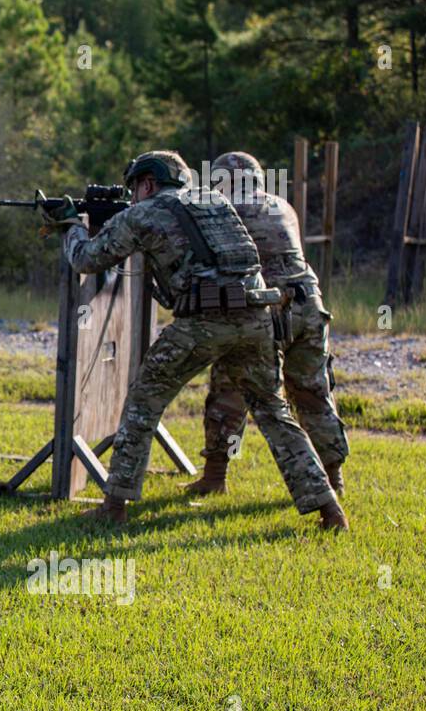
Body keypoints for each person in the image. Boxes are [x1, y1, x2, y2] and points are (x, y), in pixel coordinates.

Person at [41, 150, 348, 531]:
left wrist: (70, 225)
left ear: (148, 183)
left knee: (143, 399)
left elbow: (86, 259)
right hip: (255, 316)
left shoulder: (142, 213)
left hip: (205, 321)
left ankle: (115, 504)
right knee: (273, 411)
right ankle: (329, 508)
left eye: (135, 188)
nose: (134, 196)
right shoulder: (215, 202)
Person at [185, 151, 349, 496]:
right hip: (310, 306)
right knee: (313, 393)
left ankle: (216, 476)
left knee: (229, 391)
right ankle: (333, 478)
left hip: (266, 311)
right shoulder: (281, 205)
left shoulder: (228, 209)